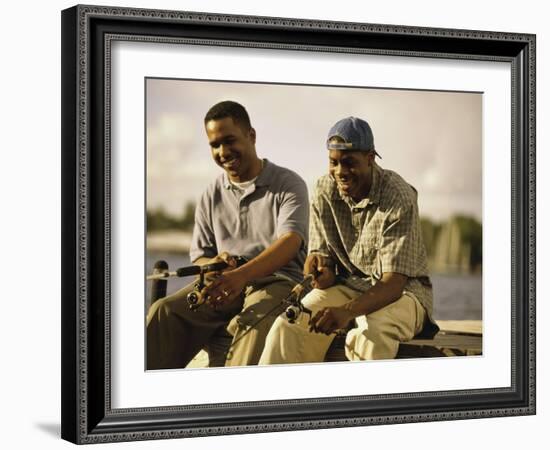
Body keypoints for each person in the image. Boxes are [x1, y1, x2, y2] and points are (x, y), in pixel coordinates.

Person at [260, 116, 438, 365]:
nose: (340, 172)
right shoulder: (324, 189)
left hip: (404, 294)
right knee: (289, 325)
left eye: (349, 163)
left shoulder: (398, 195)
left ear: (370, 158)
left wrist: (347, 312)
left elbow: (393, 283)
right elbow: (324, 261)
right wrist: (320, 269)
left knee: (372, 333)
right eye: (334, 162)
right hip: (349, 287)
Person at [146, 100, 309, 369]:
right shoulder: (211, 194)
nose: (223, 152)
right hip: (224, 285)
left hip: (279, 282)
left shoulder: (289, 183)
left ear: (251, 136)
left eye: (229, 140)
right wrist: (213, 268)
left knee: (250, 325)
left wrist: (242, 276)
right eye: (214, 144)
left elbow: (290, 242)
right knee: (163, 311)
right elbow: (200, 257)